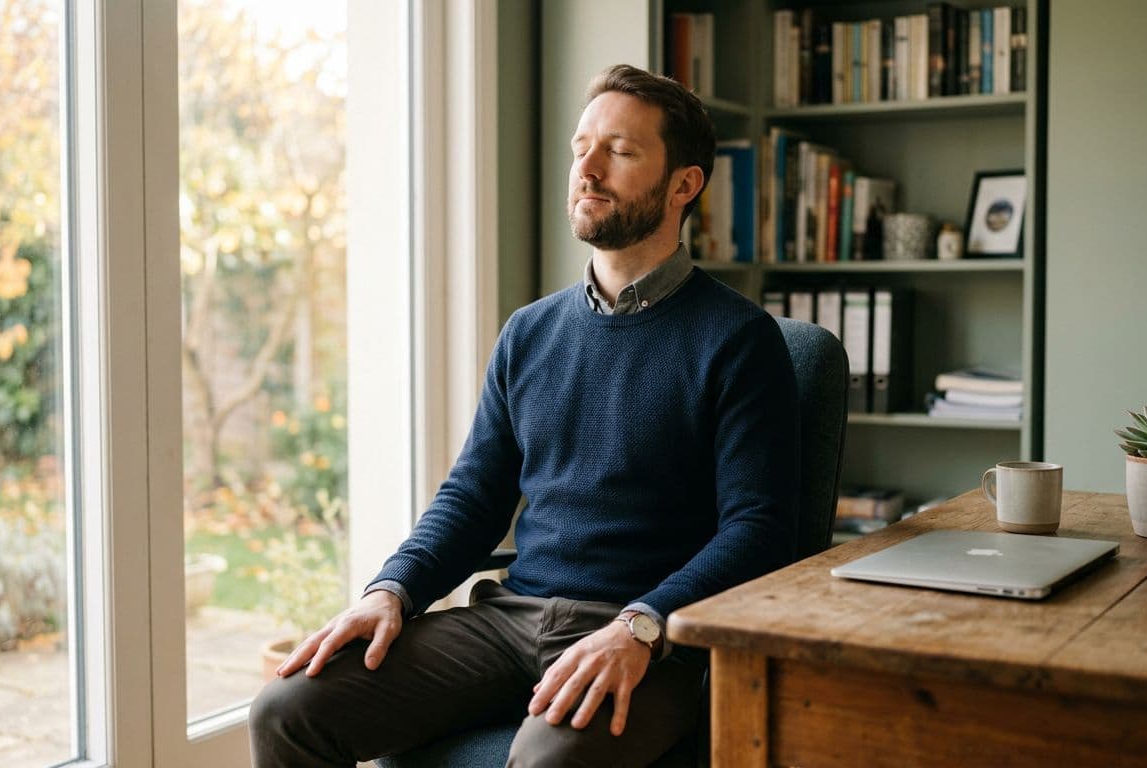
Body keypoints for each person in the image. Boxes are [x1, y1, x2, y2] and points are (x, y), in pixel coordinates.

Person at [249, 63, 800, 767]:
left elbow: (759, 530)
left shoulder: (739, 339)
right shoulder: (530, 332)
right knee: (287, 711)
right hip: (509, 619)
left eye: (621, 151)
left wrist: (642, 626)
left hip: (644, 635)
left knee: (549, 763)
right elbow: (474, 494)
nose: (588, 169)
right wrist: (394, 587)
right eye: (581, 148)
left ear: (684, 185)